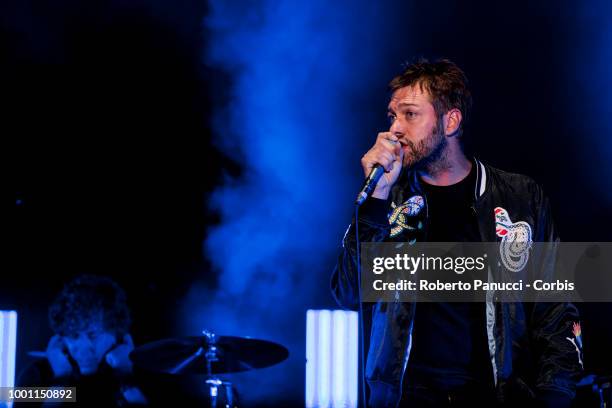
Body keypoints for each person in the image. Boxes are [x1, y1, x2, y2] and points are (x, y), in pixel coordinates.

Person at [331, 59, 583, 407]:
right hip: (407, 398)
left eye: (410, 114)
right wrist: (374, 203)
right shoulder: (388, 200)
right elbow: (347, 293)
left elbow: (554, 307)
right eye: (392, 116)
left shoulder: (519, 197)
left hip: (492, 395)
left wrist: (554, 396)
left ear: (450, 121)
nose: (395, 130)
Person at [16, 274, 147, 407]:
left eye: (93, 335)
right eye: (74, 336)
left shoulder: (147, 374)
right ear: (61, 338)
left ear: (116, 333)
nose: (84, 347)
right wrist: (60, 379)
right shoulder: (33, 375)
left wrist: (127, 378)